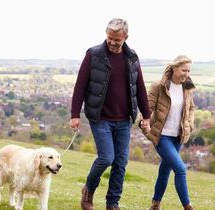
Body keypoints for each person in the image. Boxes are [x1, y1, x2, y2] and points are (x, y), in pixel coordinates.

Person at [69, 17, 151, 210]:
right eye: (110, 38)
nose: (113, 42)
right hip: (100, 117)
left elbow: (140, 88)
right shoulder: (94, 54)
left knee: (121, 163)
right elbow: (80, 86)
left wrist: (146, 115)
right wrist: (74, 114)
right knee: (106, 158)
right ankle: (88, 190)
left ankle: (112, 203)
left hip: (124, 119)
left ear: (126, 37)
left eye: (117, 39)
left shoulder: (132, 58)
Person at [140, 55, 195, 210]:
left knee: (165, 170)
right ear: (174, 68)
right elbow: (148, 107)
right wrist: (144, 122)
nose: (186, 73)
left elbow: (191, 108)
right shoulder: (160, 85)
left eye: (189, 70)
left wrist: (189, 124)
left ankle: (155, 204)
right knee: (180, 168)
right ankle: (188, 206)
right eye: (184, 70)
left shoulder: (187, 88)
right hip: (161, 135)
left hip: (178, 137)